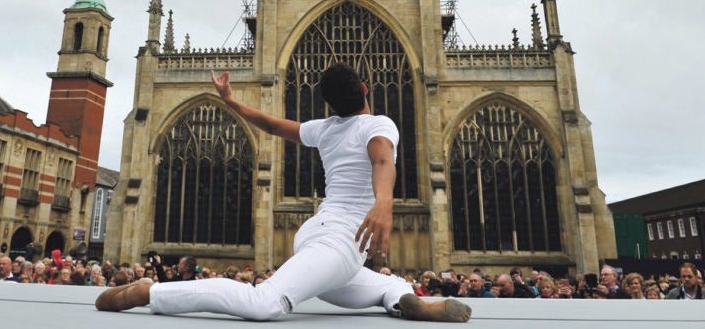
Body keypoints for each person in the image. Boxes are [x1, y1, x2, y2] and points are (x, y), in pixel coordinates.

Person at [95, 64, 470, 322]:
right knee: (266, 303)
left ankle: (405, 302)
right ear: (365, 90)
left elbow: (272, 124)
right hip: (342, 240)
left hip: (315, 233)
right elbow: (383, 161)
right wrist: (384, 204)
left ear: (330, 105)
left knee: (382, 284)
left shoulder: (325, 128)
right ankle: (149, 292)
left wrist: (231, 102)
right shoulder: (378, 123)